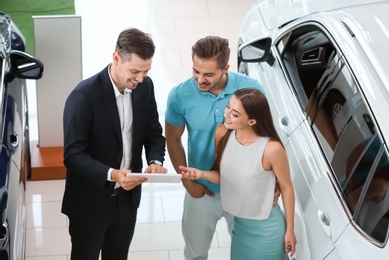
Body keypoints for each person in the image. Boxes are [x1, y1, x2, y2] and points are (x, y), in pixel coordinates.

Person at [165, 35, 279, 260]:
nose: (200, 79)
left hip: (245, 189)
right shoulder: (180, 95)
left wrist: (274, 183)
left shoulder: (251, 89)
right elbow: (173, 139)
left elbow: (266, 139)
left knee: (248, 253)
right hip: (202, 190)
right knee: (195, 253)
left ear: (225, 68)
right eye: (196, 71)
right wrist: (187, 181)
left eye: (208, 74)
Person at [61, 28, 167, 260]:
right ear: (116, 58)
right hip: (90, 202)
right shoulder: (83, 96)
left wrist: (155, 160)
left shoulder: (144, 87)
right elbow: (73, 155)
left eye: (146, 71)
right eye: (135, 71)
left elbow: (154, 134)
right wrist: (112, 174)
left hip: (127, 200)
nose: (140, 78)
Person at [180, 88, 297, 259]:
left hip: (267, 229)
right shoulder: (222, 134)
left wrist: (290, 230)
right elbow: (226, 177)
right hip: (240, 226)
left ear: (251, 121)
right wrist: (200, 174)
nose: (226, 114)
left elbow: (287, 188)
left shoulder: (272, 149)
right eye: (228, 107)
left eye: (234, 114)